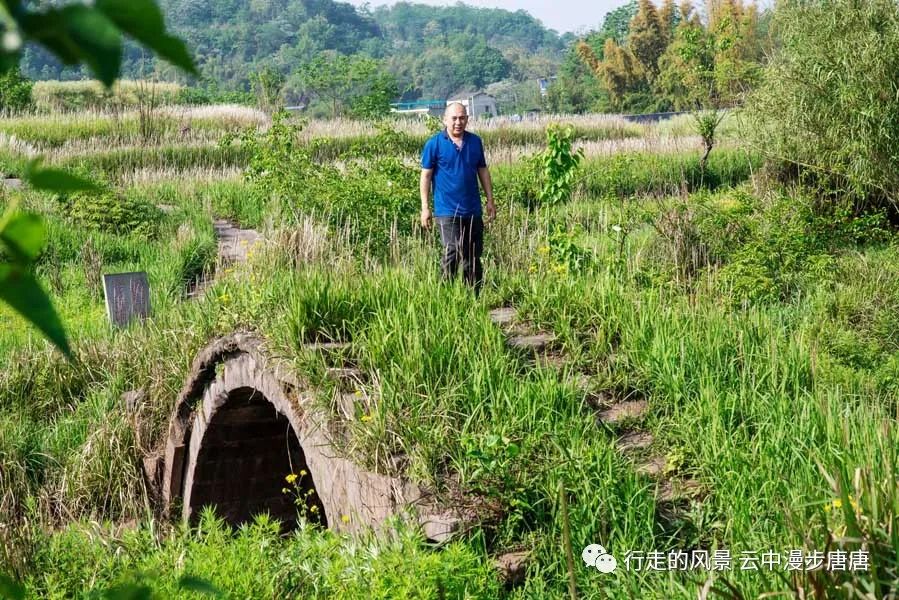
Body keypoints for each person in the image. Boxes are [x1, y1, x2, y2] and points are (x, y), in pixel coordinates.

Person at [420, 102, 496, 295]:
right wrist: (425, 207)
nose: (458, 122)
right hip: (446, 211)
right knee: (451, 252)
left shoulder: (475, 142)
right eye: (454, 118)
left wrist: (490, 200)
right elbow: (426, 176)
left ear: (467, 120)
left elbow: (483, 171)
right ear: (445, 120)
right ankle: (446, 296)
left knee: (472, 255)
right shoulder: (434, 144)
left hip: (472, 209)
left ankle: (474, 297)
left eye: (462, 118)